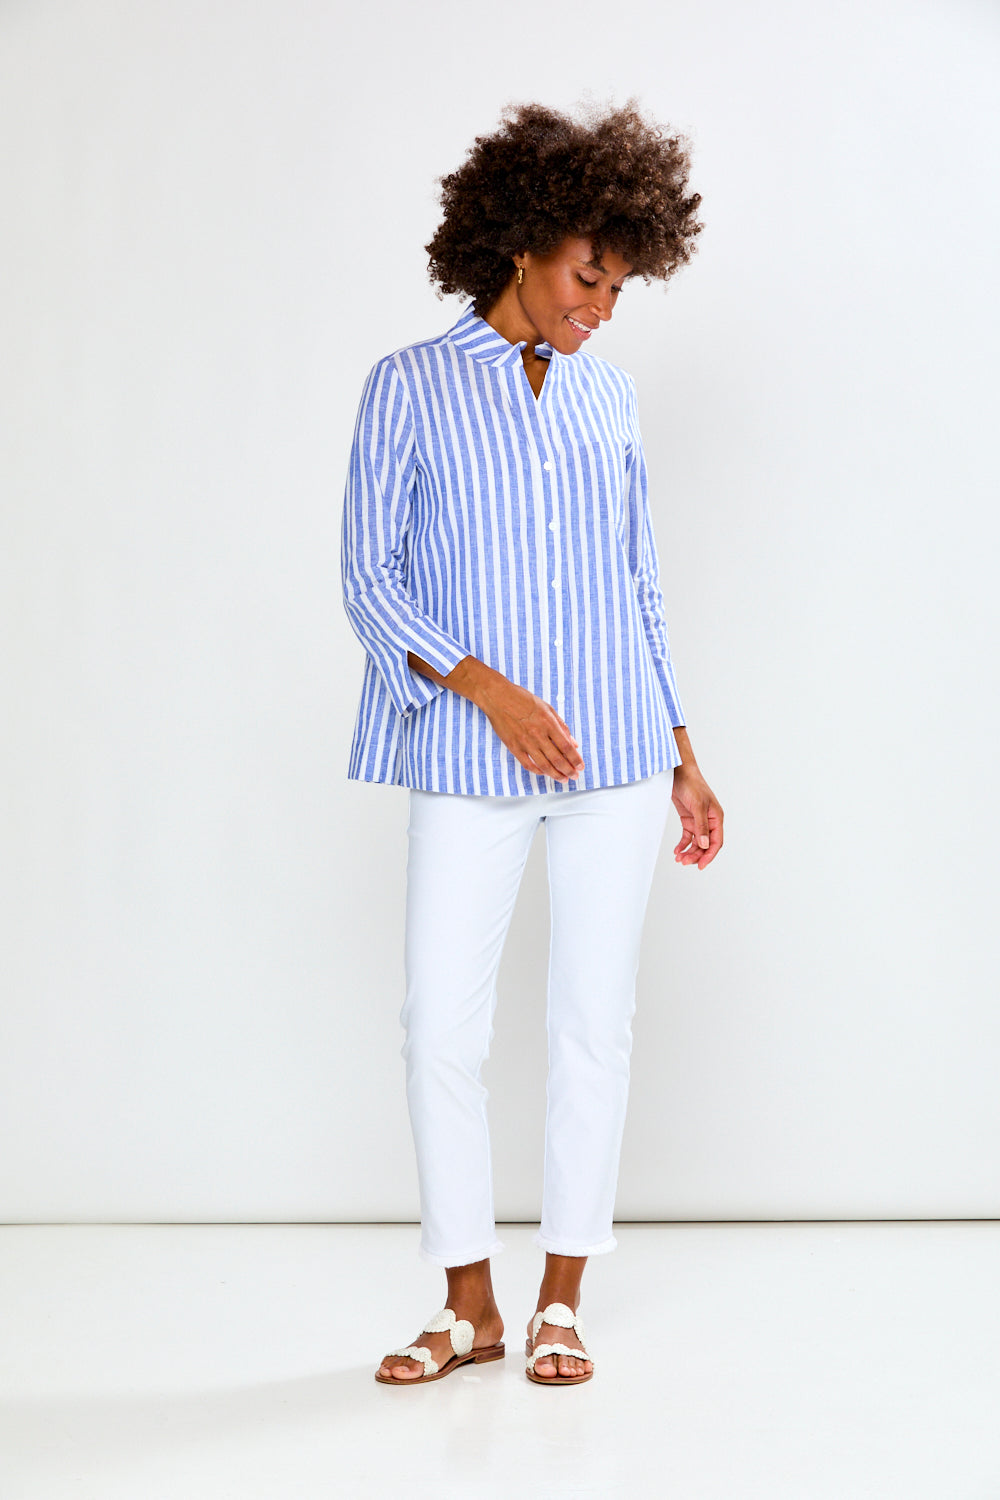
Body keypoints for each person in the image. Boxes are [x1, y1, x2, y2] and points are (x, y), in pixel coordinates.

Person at [340, 98, 724, 1387]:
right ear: (520, 246)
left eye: (619, 285)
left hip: (618, 754)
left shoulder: (609, 397)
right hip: (467, 756)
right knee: (436, 1029)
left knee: (589, 1026)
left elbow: (642, 582)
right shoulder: (408, 386)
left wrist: (682, 746)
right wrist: (487, 688)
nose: (602, 305)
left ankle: (559, 1301)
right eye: (586, 276)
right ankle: (468, 1306)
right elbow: (368, 578)